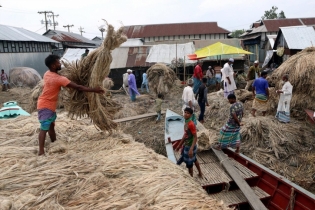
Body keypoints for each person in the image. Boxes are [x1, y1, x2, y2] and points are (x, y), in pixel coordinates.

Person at [37, 55, 104, 156]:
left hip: (48, 105)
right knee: (44, 128)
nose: (60, 63)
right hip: (45, 106)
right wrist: (94, 90)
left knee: (51, 125)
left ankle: (54, 142)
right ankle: (41, 151)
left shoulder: (47, 73)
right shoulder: (59, 79)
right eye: (58, 62)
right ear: (53, 65)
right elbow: (78, 87)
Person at [175, 107, 202, 177]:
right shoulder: (186, 122)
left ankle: (191, 178)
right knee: (195, 159)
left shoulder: (191, 124)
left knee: (189, 164)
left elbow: (195, 137)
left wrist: (191, 149)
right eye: (185, 112)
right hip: (187, 145)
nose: (186, 114)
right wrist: (179, 145)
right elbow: (185, 135)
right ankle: (200, 173)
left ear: (191, 115)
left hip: (190, 146)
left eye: (188, 113)